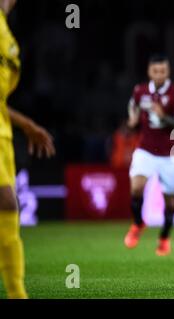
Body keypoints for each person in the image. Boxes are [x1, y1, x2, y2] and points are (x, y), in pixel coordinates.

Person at [0, 0, 55, 298]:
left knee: (8, 205)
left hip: (4, 134)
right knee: (7, 202)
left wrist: (24, 124)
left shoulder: (7, 34)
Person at [124, 54, 174, 256]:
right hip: (145, 149)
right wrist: (132, 120)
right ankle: (138, 223)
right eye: (156, 71)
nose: (159, 75)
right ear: (149, 72)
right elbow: (132, 109)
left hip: (170, 153)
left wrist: (165, 118)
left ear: (168, 72)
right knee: (136, 189)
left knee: (169, 200)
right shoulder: (140, 91)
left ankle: (164, 237)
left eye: (163, 71)